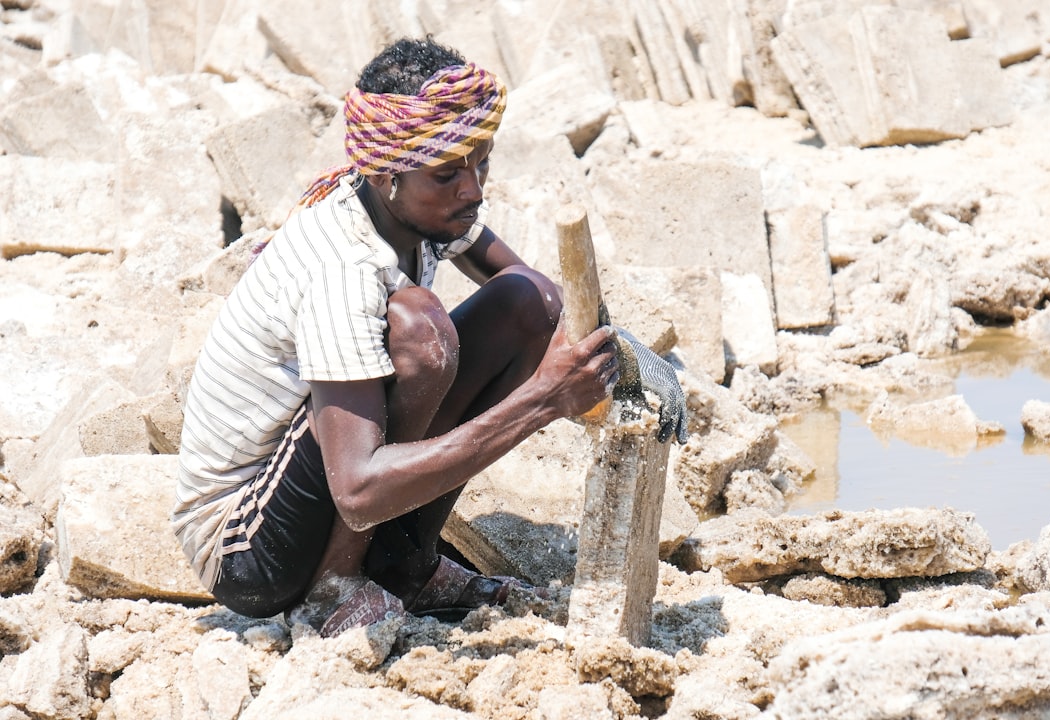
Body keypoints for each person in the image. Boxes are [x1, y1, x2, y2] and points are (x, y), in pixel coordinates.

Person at [172, 36, 687, 637]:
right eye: (448, 174)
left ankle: (404, 568)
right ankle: (332, 592)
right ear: (388, 174)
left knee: (529, 303)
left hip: (314, 495)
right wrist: (545, 400)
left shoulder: (417, 204)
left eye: (482, 161)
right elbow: (359, 489)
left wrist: (612, 347)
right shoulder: (346, 265)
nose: (473, 189)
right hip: (248, 547)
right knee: (419, 332)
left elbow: (531, 293)